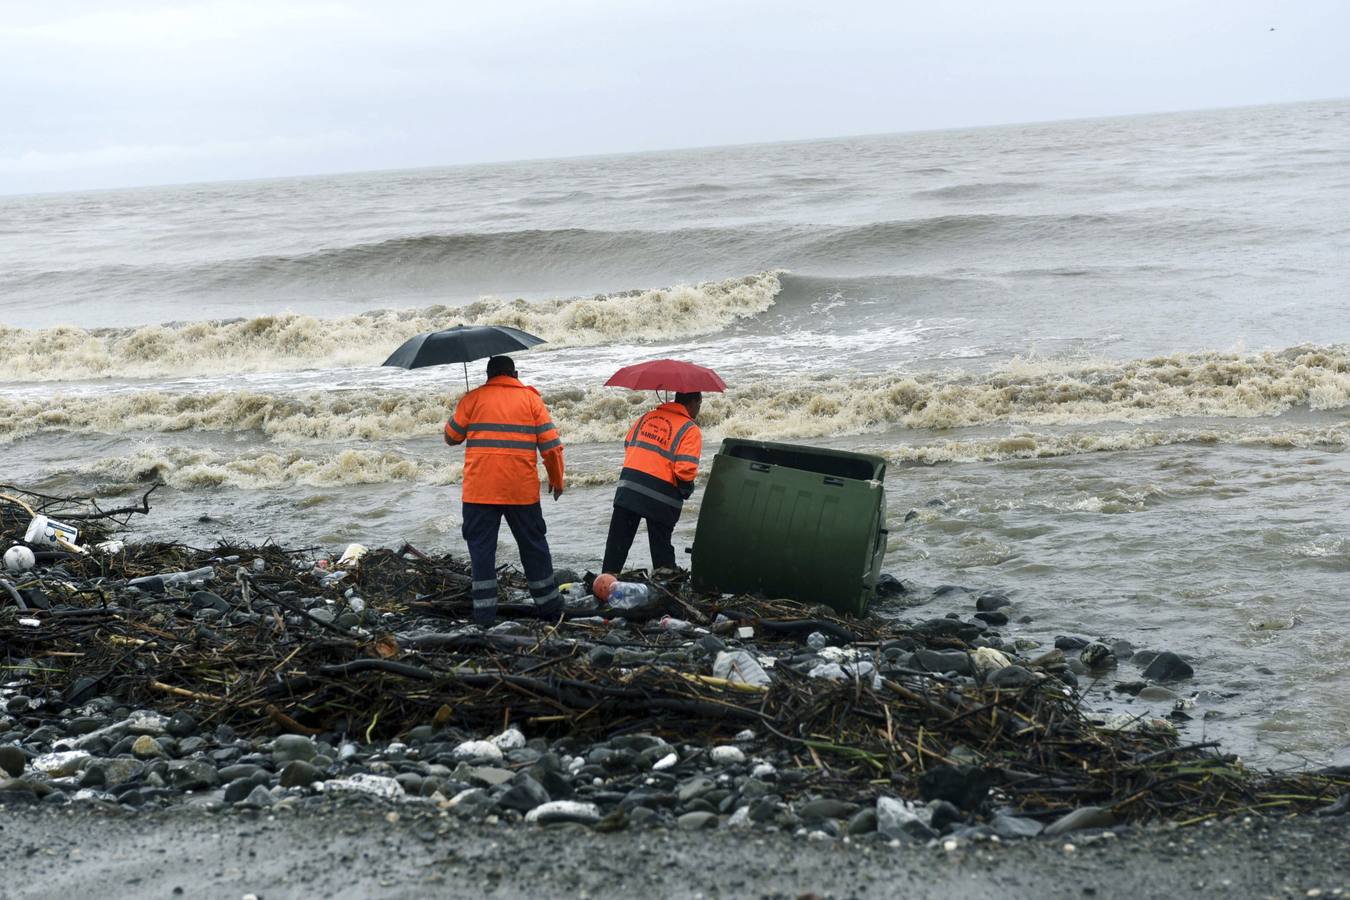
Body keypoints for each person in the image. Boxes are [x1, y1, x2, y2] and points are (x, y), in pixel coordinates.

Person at [444, 355, 565, 626]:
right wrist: (556, 480)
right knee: (533, 547)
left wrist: (465, 403)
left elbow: (451, 437)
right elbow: (552, 447)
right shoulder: (531, 400)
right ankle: (549, 609)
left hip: (479, 491)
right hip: (520, 490)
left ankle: (485, 616)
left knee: (481, 552)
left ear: (488, 376)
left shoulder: (472, 399)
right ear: (515, 374)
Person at [602, 391, 702, 575]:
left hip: (629, 487)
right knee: (661, 548)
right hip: (661, 496)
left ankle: (605, 585)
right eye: (699, 404)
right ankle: (666, 588)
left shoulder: (646, 417)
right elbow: (685, 470)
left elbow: (628, 444)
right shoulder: (690, 429)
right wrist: (687, 487)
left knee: (617, 545)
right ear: (695, 402)